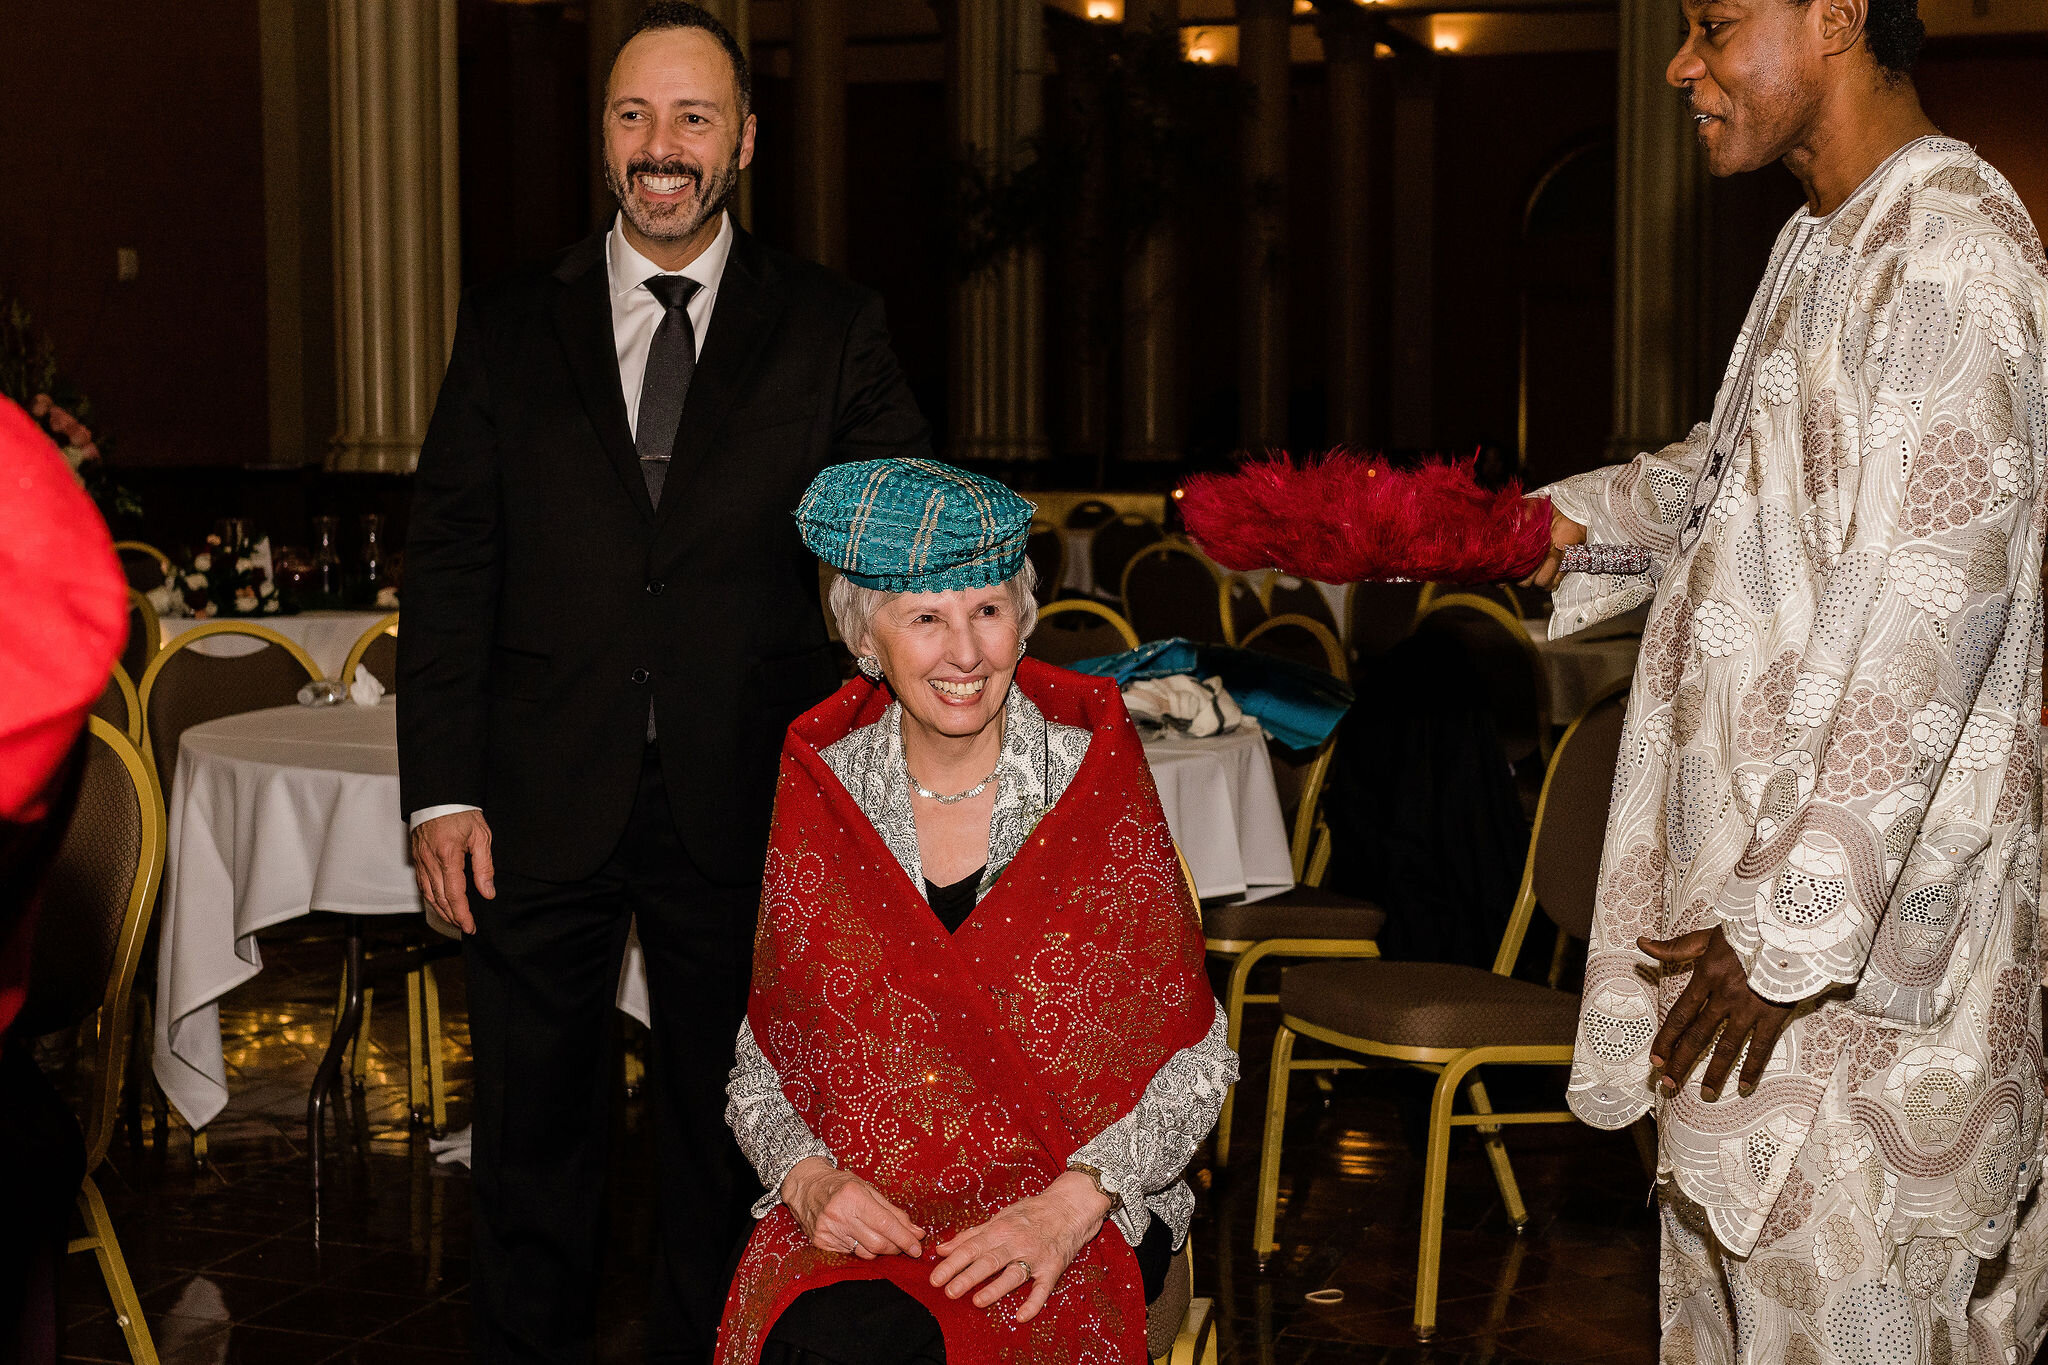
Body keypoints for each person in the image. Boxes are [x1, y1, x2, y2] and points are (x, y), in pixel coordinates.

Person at [394, 3, 932, 1358]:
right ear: (605, 141)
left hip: (748, 795)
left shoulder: (831, 327)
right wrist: (438, 792)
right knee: (531, 1140)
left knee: (731, 1140)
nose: (662, 147)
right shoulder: (511, 323)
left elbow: (891, 557)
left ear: (744, 141)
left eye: (693, 118)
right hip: (533, 796)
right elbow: (452, 565)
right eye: (635, 116)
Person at [1523, 0, 2048, 1358]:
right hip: (1751, 940)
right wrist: (1522, 534)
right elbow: (1720, 490)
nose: (1680, 65)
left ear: (1833, 16)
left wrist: (1787, 936)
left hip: (1851, 982)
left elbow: (1932, 621)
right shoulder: (1825, 239)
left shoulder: (1951, 252)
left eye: (1713, 23)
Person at [714, 458, 1237, 1365]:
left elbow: (1198, 1059)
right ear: (865, 640)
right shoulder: (827, 788)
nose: (967, 653)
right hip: (877, 1201)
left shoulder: (1088, 778)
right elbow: (765, 1060)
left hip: (1081, 1191)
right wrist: (806, 1181)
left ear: (1021, 619)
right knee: (819, 1343)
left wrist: (1073, 1205)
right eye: (926, 618)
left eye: (988, 610)